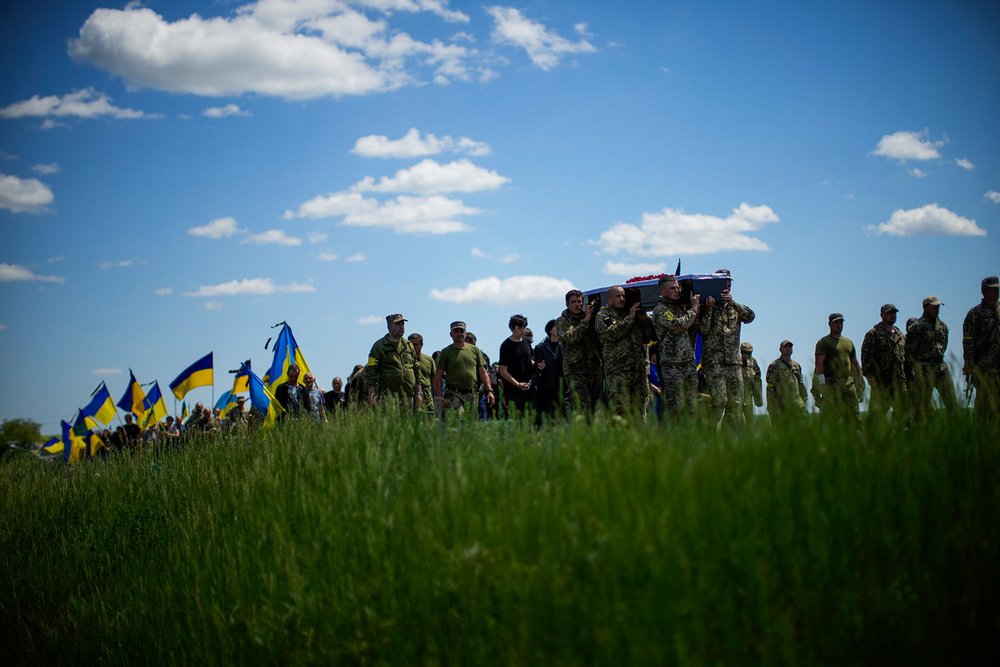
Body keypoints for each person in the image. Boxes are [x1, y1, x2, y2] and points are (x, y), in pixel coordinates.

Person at [698, 269, 756, 429]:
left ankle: (726, 439)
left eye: (729, 286)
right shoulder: (706, 305)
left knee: (736, 402)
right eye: (724, 285)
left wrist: (733, 303)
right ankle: (705, 432)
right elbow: (702, 329)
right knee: (719, 400)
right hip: (714, 361)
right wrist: (709, 309)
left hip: (733, 361)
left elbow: (750, 316)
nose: (727, 289)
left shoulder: (735, 307)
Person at [596, 285, 654, 418]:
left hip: (639, 369)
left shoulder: (633, 312)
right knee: (620, 410)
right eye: (618, 296)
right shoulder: (604, 315)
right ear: (609, 298)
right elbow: (611, 333)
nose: (622, 299)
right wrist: (630, 318)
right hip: (619, 370)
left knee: (640, 411)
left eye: (623, 296)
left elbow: (649, 336)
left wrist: (644, 318)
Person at [651, 275, 702, 416]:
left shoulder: (681, 308)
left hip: (688, 364)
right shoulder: (660, 310)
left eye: (678, 287)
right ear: (662, 291)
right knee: (675, 408)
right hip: (672, 366)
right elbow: (679, 325)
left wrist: (699, 308)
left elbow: (695, 326)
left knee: (691, 407)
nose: (676, 290)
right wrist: (694, 308)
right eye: (672, 288)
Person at [906, 296, 958, 418]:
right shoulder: (917, 327)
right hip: (923, 369)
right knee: (921, 407)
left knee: (952, 403)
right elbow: (909, 352)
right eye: (934, 307)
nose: (937, 309)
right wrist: (910, 375)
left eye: (938, 307)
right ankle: (920, 433)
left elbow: (944, 345)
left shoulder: (943, 326)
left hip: (941, 367)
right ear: (925, 307)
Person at [433, 321, 496, 417]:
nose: (459, 333)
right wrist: (440, 396)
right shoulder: (446, 352)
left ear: (465, 333)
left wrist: (489, 390)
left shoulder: (475, 350)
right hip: (454, 393)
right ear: (451, 334)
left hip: (472, 393)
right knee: (459, 418)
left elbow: (483, 372)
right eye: (456, 331)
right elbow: (438, 375)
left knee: (470, 423)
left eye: (461, 331)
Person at [556, 289, 603, 415]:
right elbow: (570, 337)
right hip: (575, 371)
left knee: (596, 409)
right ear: (567, 304)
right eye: (573, 302)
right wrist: (586, 320)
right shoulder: (562, 321)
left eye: (579, 301)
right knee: (582, 408)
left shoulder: (589, 318)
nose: (577, 304)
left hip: (594, 369)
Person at [813, 313, 863, 424]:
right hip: (832, 385)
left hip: (848, 385)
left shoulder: (848, 342)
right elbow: (819, 364)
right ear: (830, 324)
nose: (839, 325)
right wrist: (822, 385)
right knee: (829, 419)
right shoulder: (824, 342)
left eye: (841, 322)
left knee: (854, 418)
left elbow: (855, 363)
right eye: (836, 322)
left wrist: (860, 384)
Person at [364, 313, 422, 410]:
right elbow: (371, 370)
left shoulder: (408, 345)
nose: (401, 327)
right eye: (398, 324)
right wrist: (371, 391)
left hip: (407, 396)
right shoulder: (379, 346)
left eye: (403, 324)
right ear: (389, 326)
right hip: (388, 397)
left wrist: (419, 392)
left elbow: (416, 368)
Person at [963, 276, 1000, 421]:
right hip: (985, 367)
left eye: (998, 289)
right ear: (984, 290)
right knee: (984, 405)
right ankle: (978, 436)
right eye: (993, 289)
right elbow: (968, 341)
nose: (997, 292)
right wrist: (969, 364)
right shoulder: (975, 313)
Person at [861, 304, 907, 418]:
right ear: (882, 315)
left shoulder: (900, 335)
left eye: (894, 313)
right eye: (889, 313)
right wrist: (872, 381)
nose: (892, 315)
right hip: (881, 383)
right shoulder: (873, 334)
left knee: (904, 417)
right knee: (875, 419)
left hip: (899, 382)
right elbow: (866, 359)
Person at [498, 314, 534, 417]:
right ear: (513, 328)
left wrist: (538, 365)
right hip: (513, 391)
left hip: (529, 387)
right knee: (517, 421)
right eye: (520, 328)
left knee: (532, 419)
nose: (523, 330)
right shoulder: (506, 345)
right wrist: (518, 384)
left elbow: (529, 360)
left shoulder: (527, 342)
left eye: (524, 327)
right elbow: (503, 371)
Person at [765, 340, 808, 423]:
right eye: (785, 347)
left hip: (797, 404)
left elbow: (801, 384)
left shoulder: (796, 365)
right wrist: (771, 407)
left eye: (790, 346)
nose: (788, 348)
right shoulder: (774, 365)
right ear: (780, 349)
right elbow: (770, 387)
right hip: (781, 405)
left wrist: (804, 400)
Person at [532, 319, 564, 424]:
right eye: (557, 326)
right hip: (546, 388)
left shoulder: (564, 346)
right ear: (550, 330)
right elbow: (537, 368)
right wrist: (539, 366)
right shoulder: (540, 347)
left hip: (562, 387)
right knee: (546, 417)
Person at [408, 333, 437, 416]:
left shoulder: (429, 360)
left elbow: (434, 381)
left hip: (426, 395)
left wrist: (437, 398)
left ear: (421, 345)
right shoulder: (404, 360)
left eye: (415, 344)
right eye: (410, 345)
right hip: (410, 395)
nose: (412, 347)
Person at [740, 342, 763, 424]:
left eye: (749, 353)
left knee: (749, 422)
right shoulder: (734, 361)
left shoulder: (753, 362)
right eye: (744, 352)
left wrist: (758, 399)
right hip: (736, 398)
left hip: (748, 398)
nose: (746, 355)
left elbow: (757, 379)